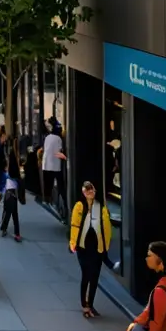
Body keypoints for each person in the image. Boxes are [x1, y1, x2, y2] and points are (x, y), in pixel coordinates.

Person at [69, 181, 112, 318]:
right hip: (83, 246)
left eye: (91, 190)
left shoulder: (100, 207)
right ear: (83, 192)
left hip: (97, 247)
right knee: (86, 274)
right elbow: (75, 225)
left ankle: (91, 304)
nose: (90, 193)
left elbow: (106, 227)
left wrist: (106, 246)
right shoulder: (79, 206)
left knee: (95, 276)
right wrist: (73, 243)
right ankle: (84, 305)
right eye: (87, 191)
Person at [0, 141, 23, 242]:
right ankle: (16, 233)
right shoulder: (14, 170)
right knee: (13, 214)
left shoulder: (8, 170)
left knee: (9, 213)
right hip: (12, 194)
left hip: (9, 194)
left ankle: (5, 229)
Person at [42, 118, 66, 206]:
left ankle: (47, 200)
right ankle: (63, 200)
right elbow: (60, 151)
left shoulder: (47, 138)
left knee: (48, 184)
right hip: (55, 165)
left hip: (46, 164)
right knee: (60, 184)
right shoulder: (59, 139)